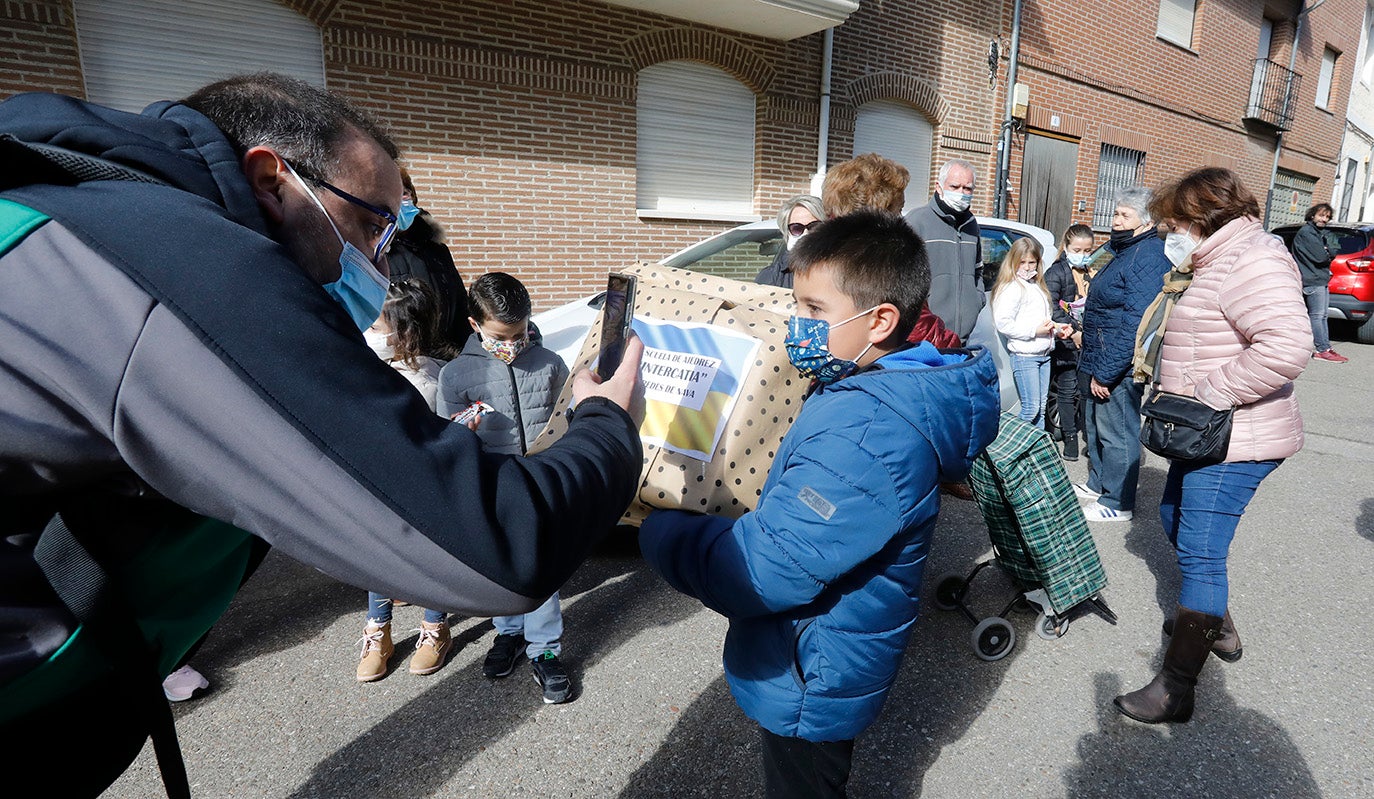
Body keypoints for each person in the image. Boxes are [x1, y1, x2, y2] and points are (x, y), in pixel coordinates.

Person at [0, 73, 643, 795]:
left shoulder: (80, 210)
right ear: (272, 179)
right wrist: (610, 423)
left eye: (393, 233)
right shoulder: (183, 268)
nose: (380, 263)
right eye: (371, 224)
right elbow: (493, 543)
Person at [639, 210, 1000, 798]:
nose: (796, 323)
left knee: (805, 782)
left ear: (880, 320)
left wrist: (659, 529)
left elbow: (766, 569)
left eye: (813, 310)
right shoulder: (870, 383)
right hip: (824, 644)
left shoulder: (867, 431)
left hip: (813, 663)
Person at [1113, 167, 1310, 724]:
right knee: (1174, 518)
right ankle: (1216, 624)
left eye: (1173, 222)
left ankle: (1176, 689)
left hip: (1235, 436)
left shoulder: (1254, 258)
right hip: (1207, 433)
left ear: (1200, 218)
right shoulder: (1215, 257)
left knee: (1201, 553)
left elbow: (1286, 347)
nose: (1167, 233)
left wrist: (1209, 393)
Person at [436, 273, 575, 704]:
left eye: (520, 332)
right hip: (494, 482)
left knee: (542, 567)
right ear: (475, 325)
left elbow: (568, 417)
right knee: (503, 564)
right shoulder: (457, 375)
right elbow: (446, 441)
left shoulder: (550, 362)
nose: (514, 342)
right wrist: (464, 436)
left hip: (541, 479)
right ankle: (508, 632)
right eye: (502, 334)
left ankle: (546, 649)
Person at [356, 279, 458, 681]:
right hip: (377, 487)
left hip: (419, 490)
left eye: (377, 328)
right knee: (379, 557)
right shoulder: (372, 368)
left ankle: (435, 628)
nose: (370, 335)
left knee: (431, 558)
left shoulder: (427, 383)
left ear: (406, 334)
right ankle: (377, 630)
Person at [1074, 186, 1171, 523]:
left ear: (1145, 224)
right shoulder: (1121, 249)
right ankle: (1099, 482)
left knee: (1117, 431)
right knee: (1097, 426)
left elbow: (1135, 323)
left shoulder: (1148, 256)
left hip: (1115, 361)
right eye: (1115, 213)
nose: (1115, 220)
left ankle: (1118, 501)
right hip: (1097, 353)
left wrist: (1107, 372)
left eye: (1124, 215)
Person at [389, 167, 472, 352]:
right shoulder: (379, 253)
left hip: (449, 355)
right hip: (405, 360)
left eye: (405, 192)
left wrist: (468, 353)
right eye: (393, 194)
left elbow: (460, 304)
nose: (402, 200)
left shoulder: (437, 248)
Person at [905, 158, 983, 343]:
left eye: (967, 188)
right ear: (939, 187)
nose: (961, 193)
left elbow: (978, 270)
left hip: (962, 339)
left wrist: (977, 300)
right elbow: (903, 279)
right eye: (955, 187)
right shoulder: (917, 221)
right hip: (925, 338)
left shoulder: (972, 226)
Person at [991, 236, 1061, 427]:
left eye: (1032, 262)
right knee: (1030, 408)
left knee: (1040, 407)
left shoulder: (1036, 286)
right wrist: (1034, 331)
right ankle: (1007, 448)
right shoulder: (1012, 288)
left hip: (1043, 354)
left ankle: (1034, 453)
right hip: (1025, 355)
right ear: (1013, 262)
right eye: (1023, 262)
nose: (1028, 267)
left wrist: (1057, 328)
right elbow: (1004, 323)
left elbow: (1040, 320)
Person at [1043, 224, 1094, 460]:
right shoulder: (1057, 272)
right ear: (1066, 247)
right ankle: (1070, 439)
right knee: (1066, 390)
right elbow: (1052, 306)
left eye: (1087, 250)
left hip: (1085, 341)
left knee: (1082, 392)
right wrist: (1073, 331)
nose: (1082, 255)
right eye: (1077, 249)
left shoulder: (1089, 271)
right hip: (1065, 340)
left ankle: (1085, 434)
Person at [1291, 202, 1348, 363]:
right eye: (1321, 215)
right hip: (1312, 279)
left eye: (1327, 217)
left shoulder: (1320, 233)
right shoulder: (1307, 233)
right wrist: (1326, 252)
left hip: (1320, 278)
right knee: (1316, 316)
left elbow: (1333, 251)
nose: (1324, 219)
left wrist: (1327, 250)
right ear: (1312, 215)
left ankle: (1326, 347)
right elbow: (1320, 257)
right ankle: (1322, 349)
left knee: (1322, 316)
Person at [755, 194, 824, 289]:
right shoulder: (771, 277)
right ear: (787, 233)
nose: (806, 233)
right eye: (796, 228)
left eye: (815, 226)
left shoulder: (842, 271)